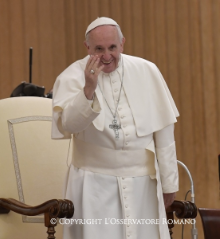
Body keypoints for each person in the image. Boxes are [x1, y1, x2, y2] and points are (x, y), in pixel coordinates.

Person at [51, 17, 179, 239]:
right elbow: (69, 126)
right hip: (94, 186)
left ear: (122, 44)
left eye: (112, 47)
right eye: (99, 49)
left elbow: (164, 132)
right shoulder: (72, 76)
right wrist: (88, 89)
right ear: (87, 47)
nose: (107, 56)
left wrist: (169, 183)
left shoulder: (147, 70)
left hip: (143, 187)